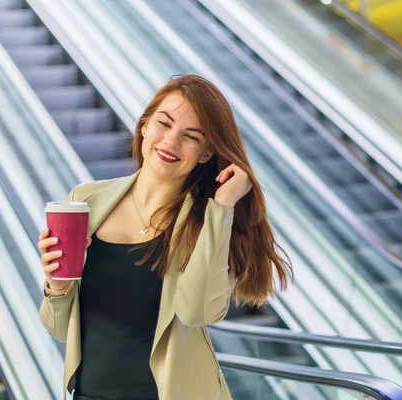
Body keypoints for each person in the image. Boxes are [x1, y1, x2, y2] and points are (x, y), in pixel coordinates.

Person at [37, 74, 294, 400]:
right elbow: (60, 329)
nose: (171, 142)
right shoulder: (85, 202)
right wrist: (56, 286)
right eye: (164, 123)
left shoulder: (207, 221)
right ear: (144, 125)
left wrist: (224, 205)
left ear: (204, 154)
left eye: (190, 136)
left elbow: (197, 312)